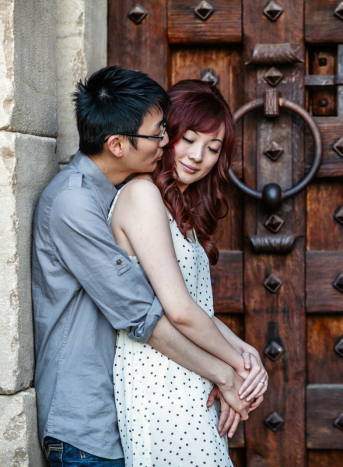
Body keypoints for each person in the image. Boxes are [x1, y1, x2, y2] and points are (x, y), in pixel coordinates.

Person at [32, 66, 255, 467]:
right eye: (161, 133)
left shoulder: (115, 193)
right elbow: (144, 313)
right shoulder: (74, 203)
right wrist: (228, 372)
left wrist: (244, 359)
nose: (167, 142)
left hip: (118, 413)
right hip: (85, 424)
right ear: (118, 144)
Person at [108, 80, 268, 466]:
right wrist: (233, 368)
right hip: (160, 378)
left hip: (189, 371)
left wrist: (248, 359)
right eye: (189, 139)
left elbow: (196, 308)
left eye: (213, 148)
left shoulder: (178, 206)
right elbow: (178, 310)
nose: (199, 156)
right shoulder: (143, 194)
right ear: (167, 135)